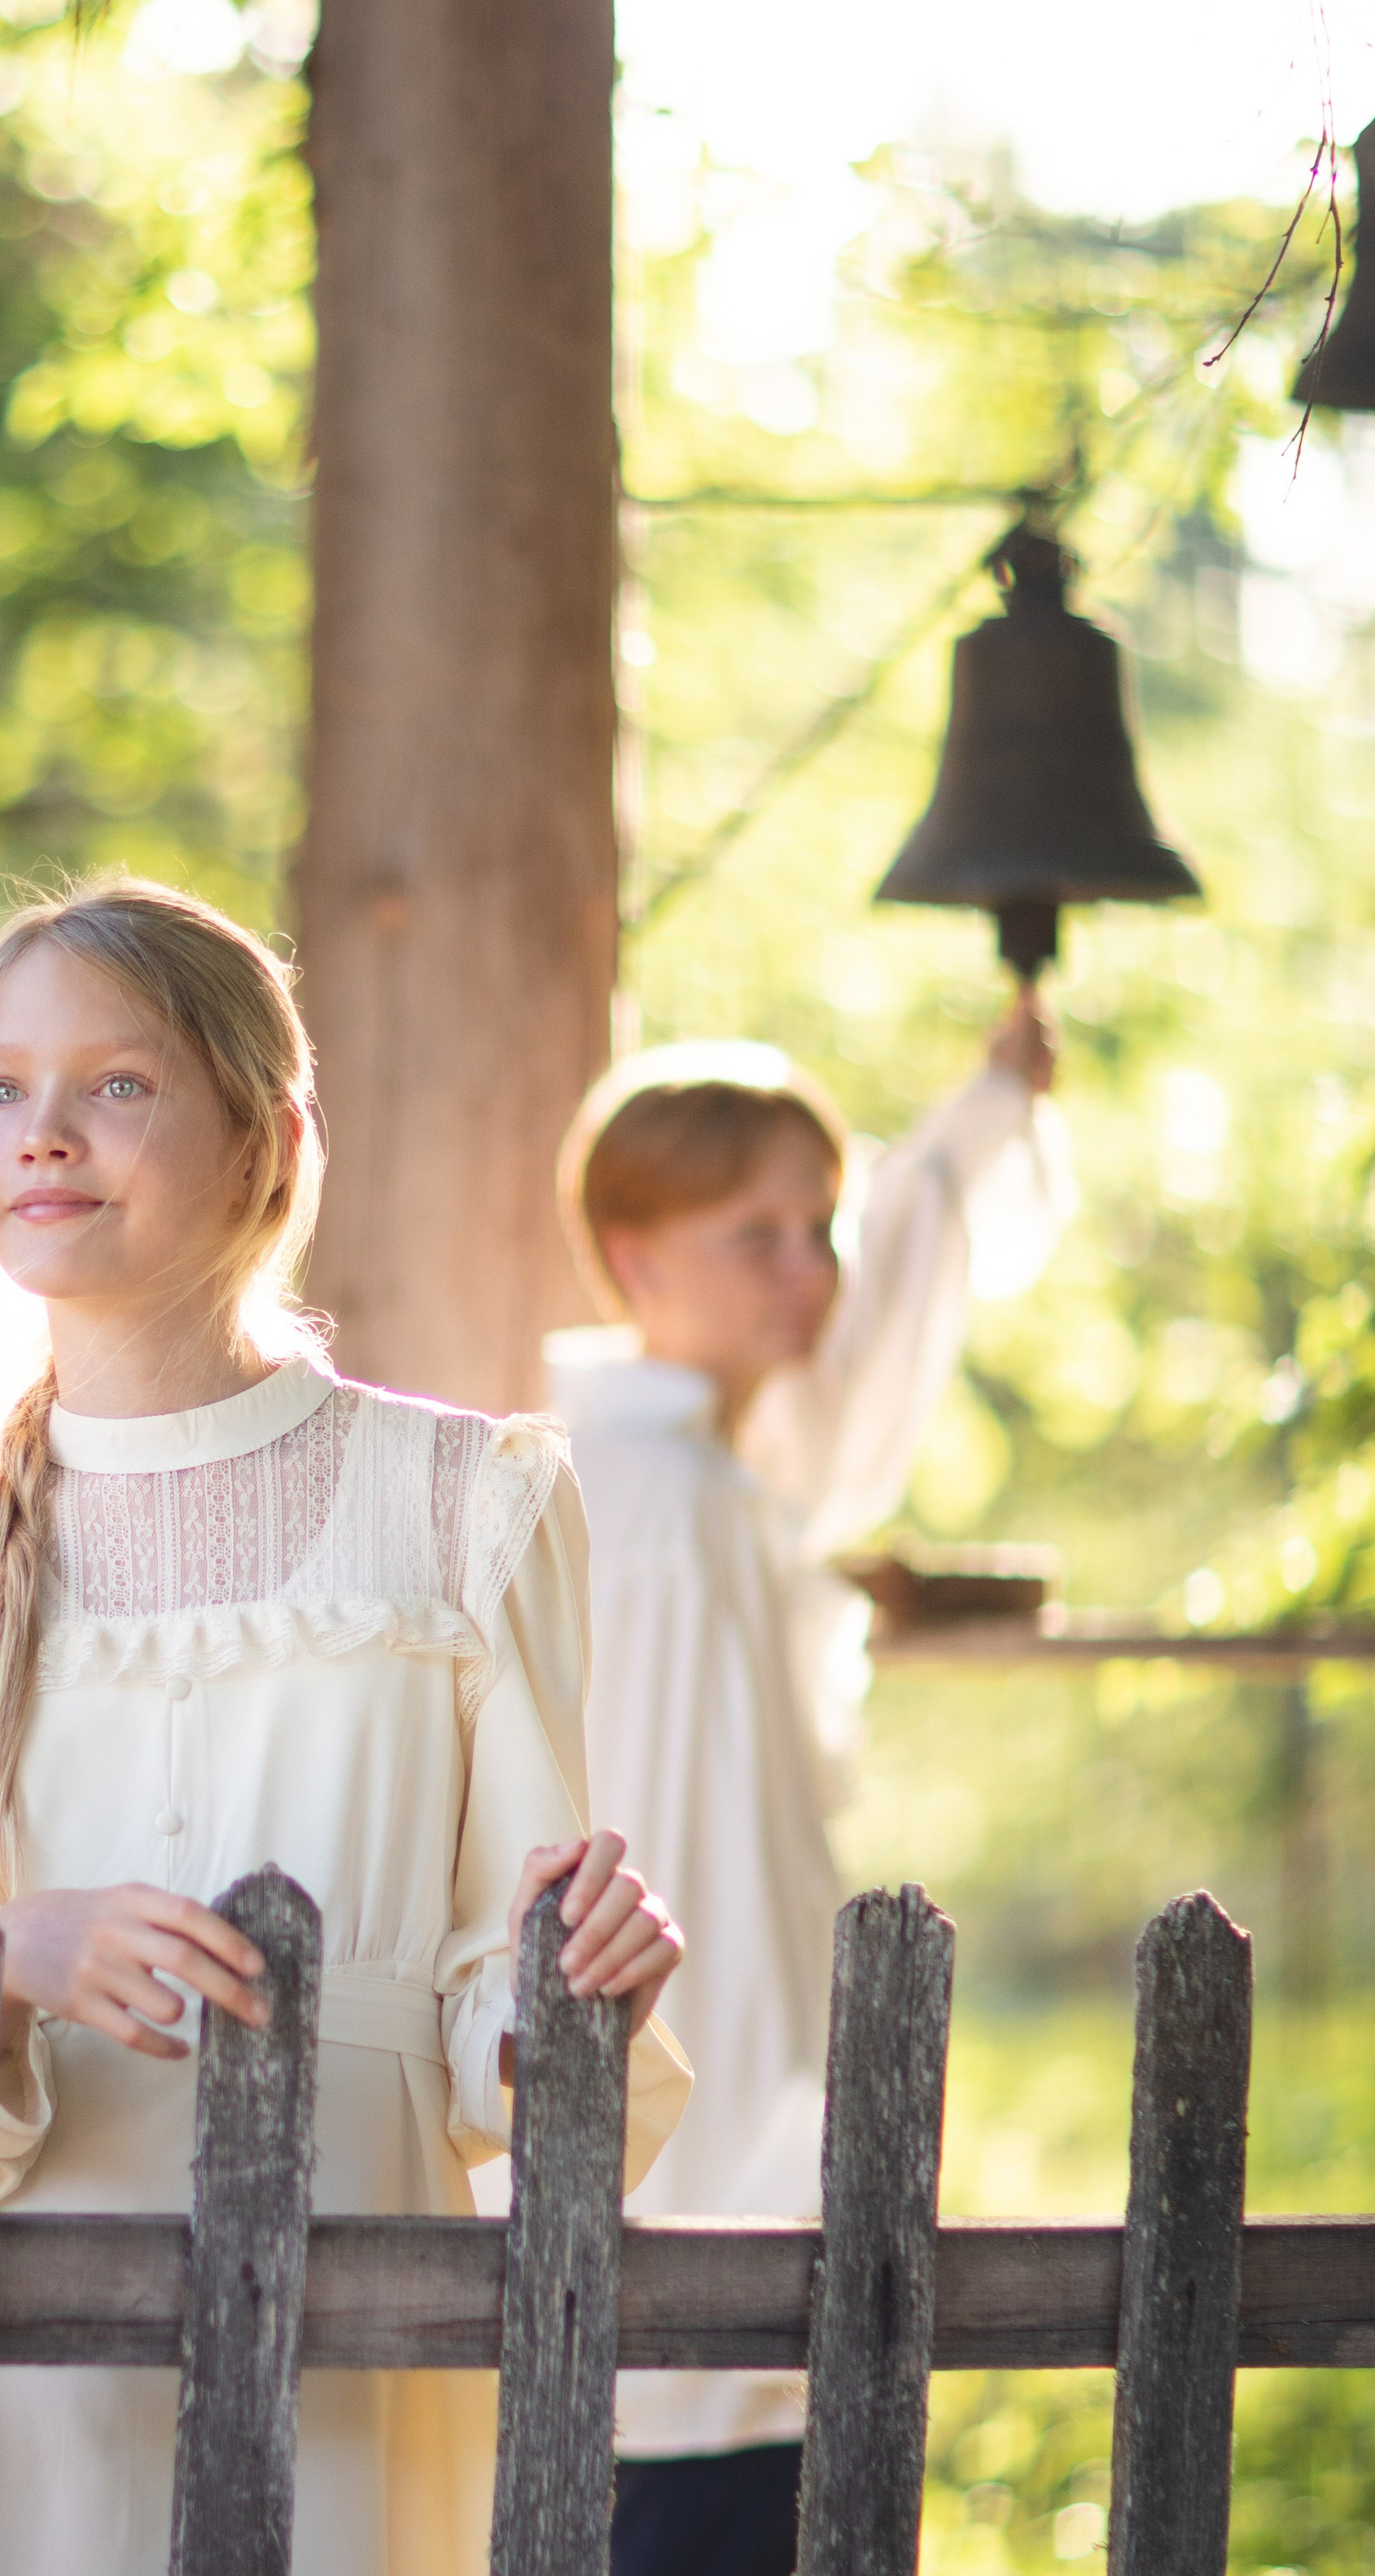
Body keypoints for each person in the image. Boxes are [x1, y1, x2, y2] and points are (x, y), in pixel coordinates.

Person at [0, 876, 690, 2576]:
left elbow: (509, 2033)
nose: (45, 1135)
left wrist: (579, 1983)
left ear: (266, 1136)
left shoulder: (465, 1503)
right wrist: (7, 1951)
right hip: (2, 2374)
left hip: (353, 2331)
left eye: (118, 1083)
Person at [547, 1002, 1068, 2576]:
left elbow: (854, 1366)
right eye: (755, 1231)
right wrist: (773, 2158)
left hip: (716, 2189)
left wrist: (979, 1117)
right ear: (634, 1256)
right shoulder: (658, 1502)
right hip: (690, 2192)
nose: (811, 1269)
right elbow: (675, 1854)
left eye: (818, 1225)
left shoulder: (708, 1477)